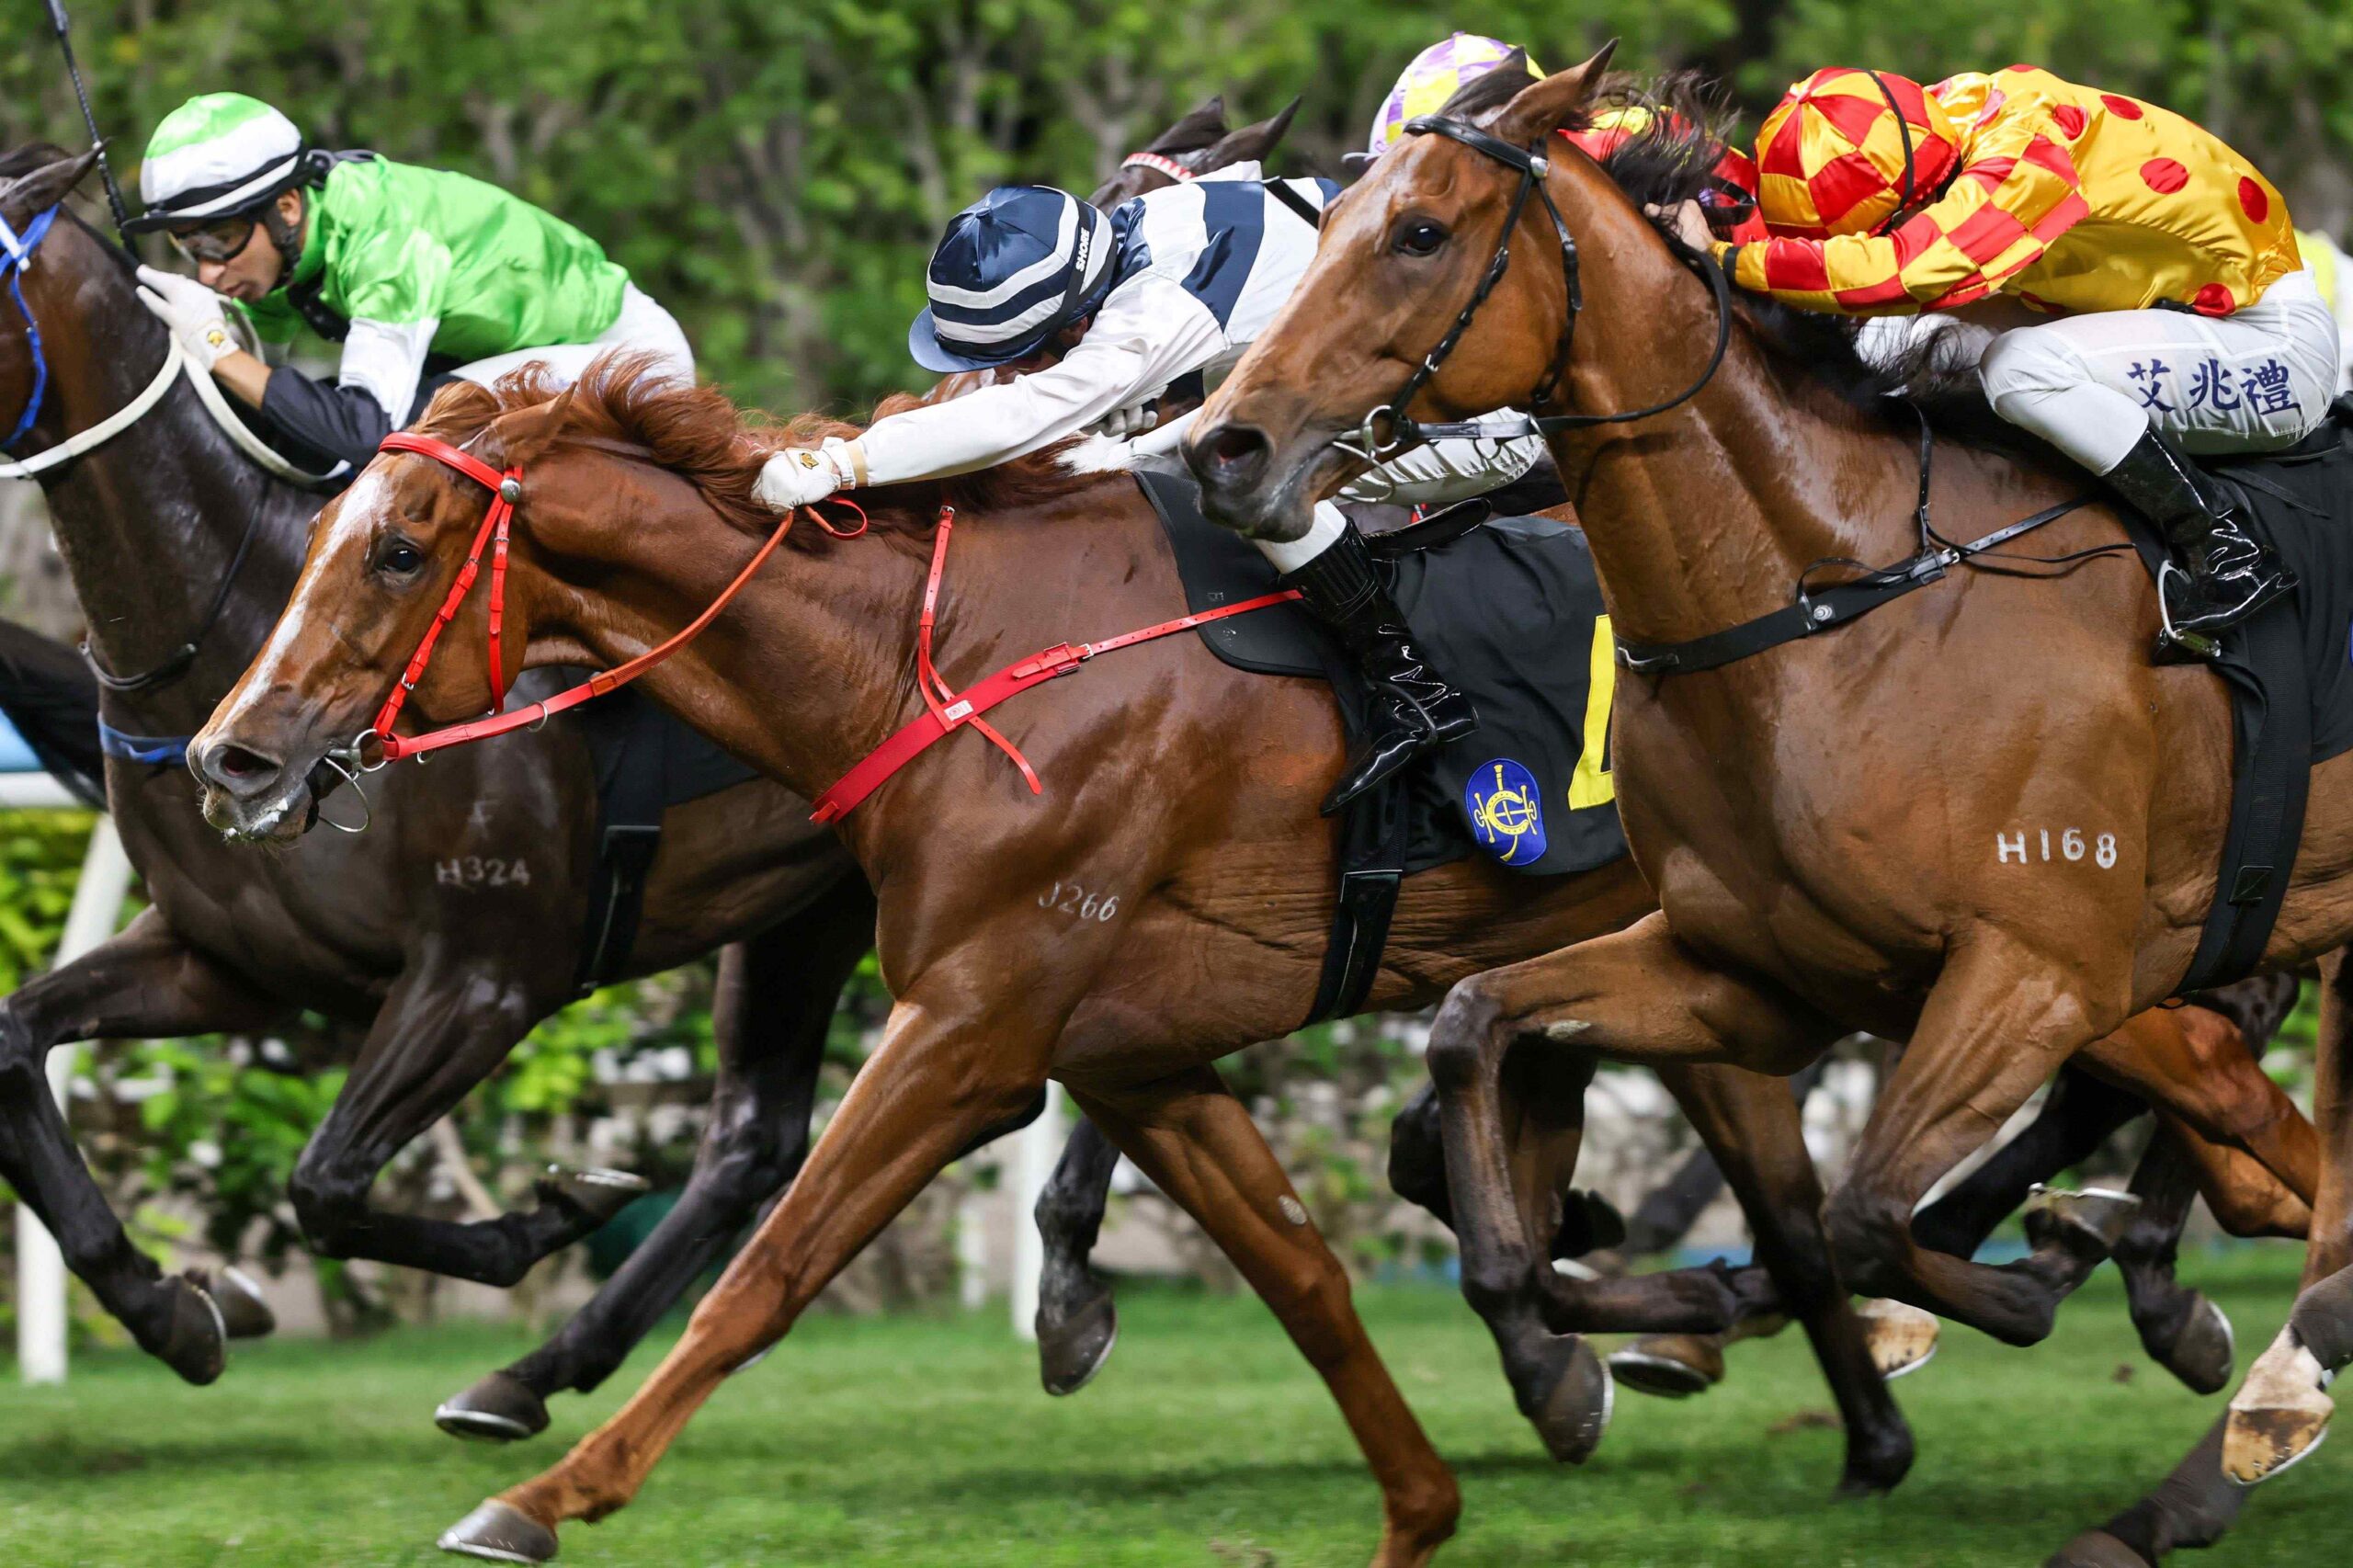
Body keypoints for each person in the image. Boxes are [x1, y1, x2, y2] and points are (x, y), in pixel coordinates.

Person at [753, 163, 1544, 814]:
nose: (1013, 371)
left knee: (1228, 465)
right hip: (1383, 364)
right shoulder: (1140, 225)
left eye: (1021, 355)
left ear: (1071, 324)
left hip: (1479, 421)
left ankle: (1412, 687)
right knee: (1146, 448)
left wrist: (843, 465)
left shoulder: (1157, 310)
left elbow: (1024, 413)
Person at [1657, 67, 2338, 655]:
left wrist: (1724, 257)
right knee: (1915, 342)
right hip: (2162, 316)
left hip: (2269, 343)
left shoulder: (2025, 156)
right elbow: (1821, 246)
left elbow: (1904, 270)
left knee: (2021, 369)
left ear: (1915, 198)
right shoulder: (1922, 127)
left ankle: (2225, 547)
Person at [125, 93, 694, 472]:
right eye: (189, 248)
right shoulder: (281, 251)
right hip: (524, 358)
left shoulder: (385, 242)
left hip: (628, 362)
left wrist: (218, 348)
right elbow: (257, 402)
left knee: (408, 437)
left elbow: (364, 433)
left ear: (287, 207)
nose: (208, 272)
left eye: (221, 240)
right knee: (311, 428)